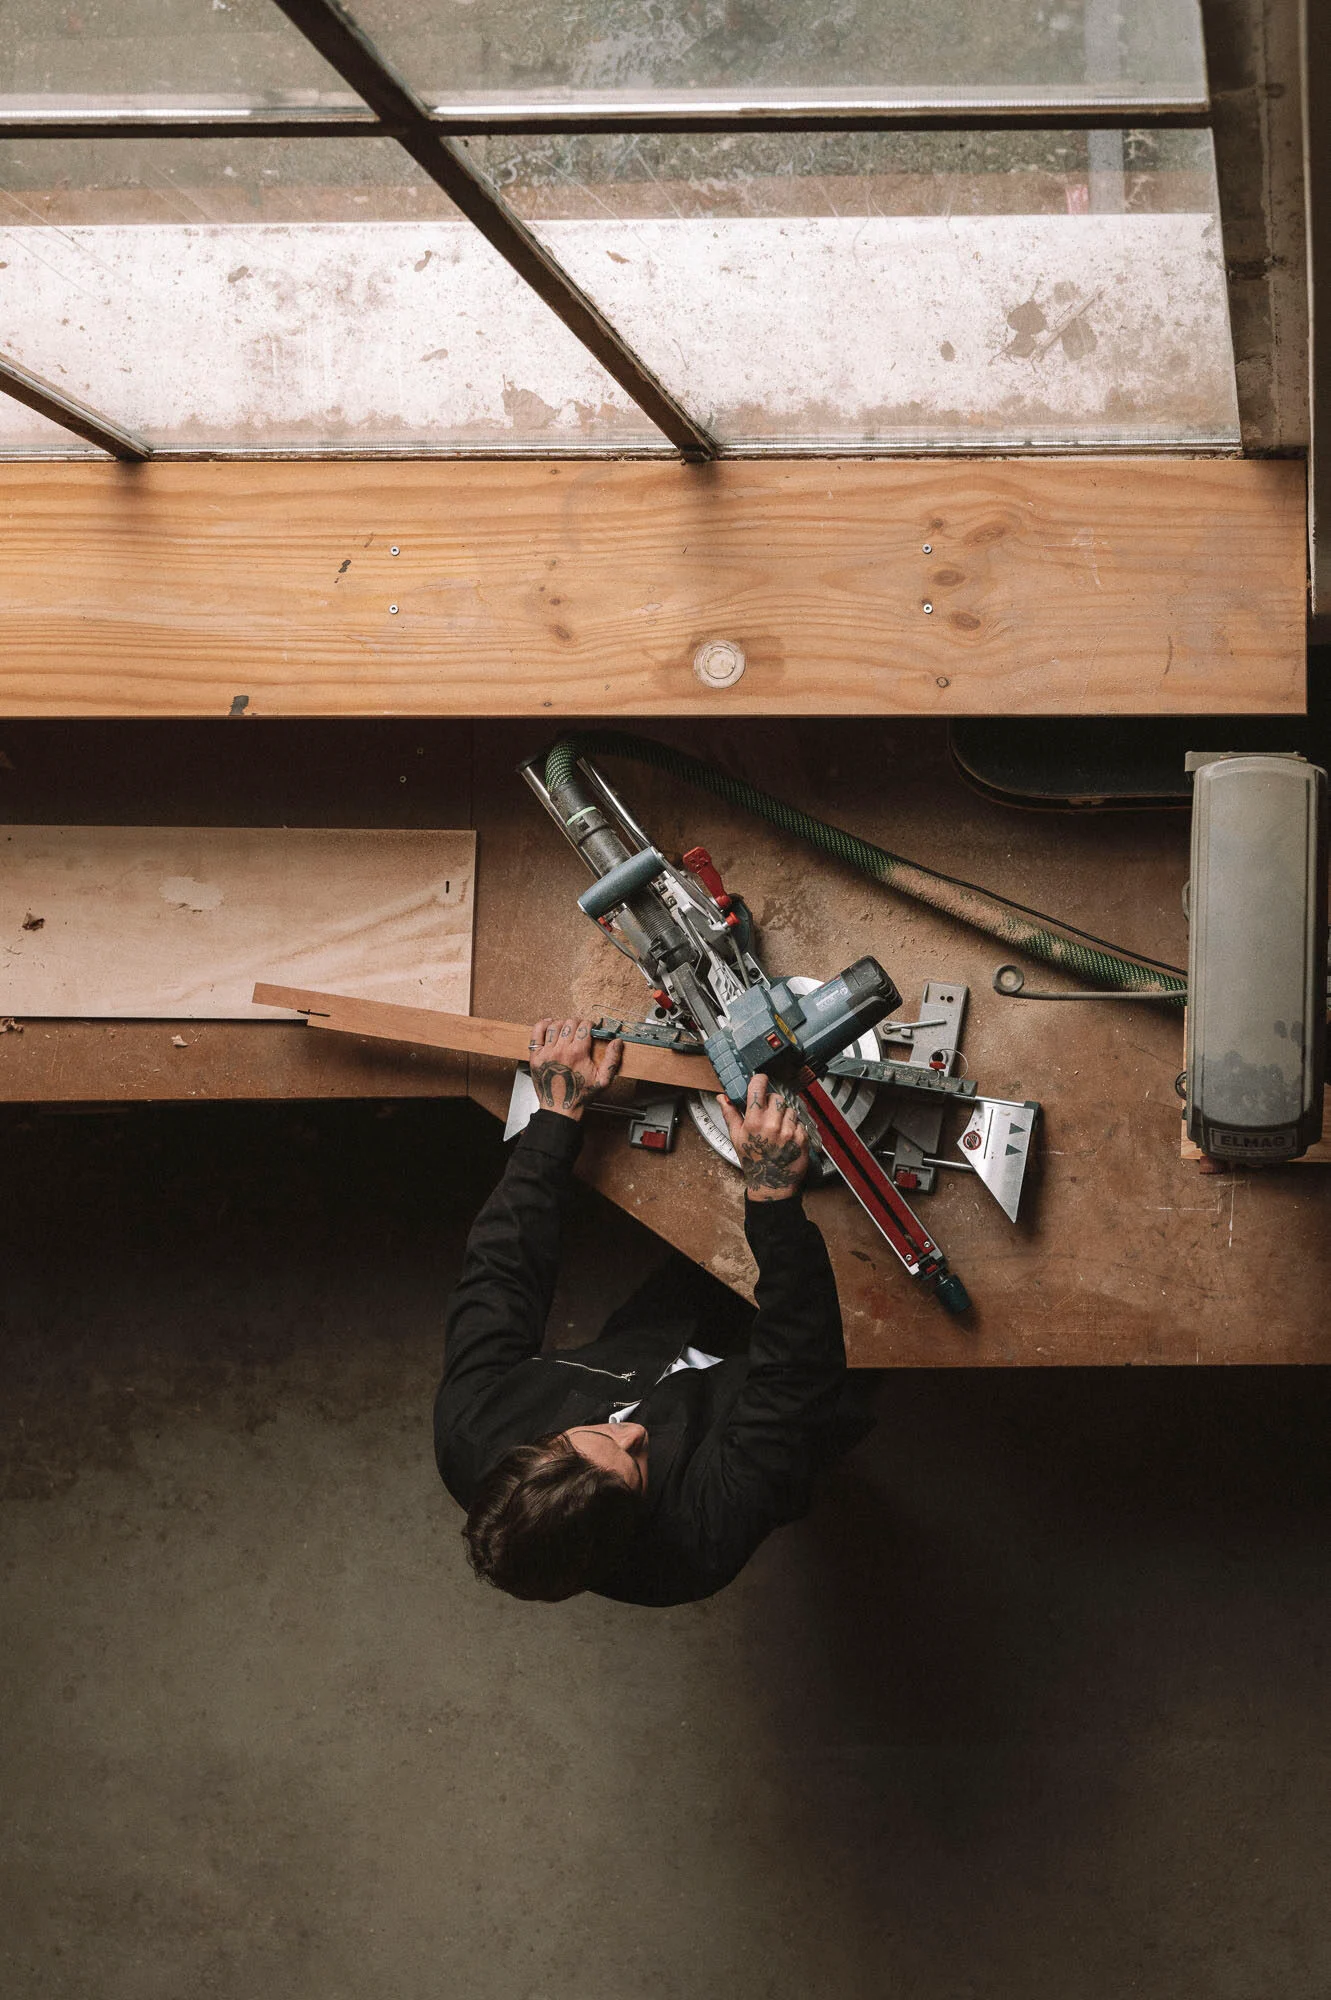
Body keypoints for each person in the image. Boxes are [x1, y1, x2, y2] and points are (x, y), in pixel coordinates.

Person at [434, 1015, 871, 1607]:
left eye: (599, 1432)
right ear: (629, 1529)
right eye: (638, 1464)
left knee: (709, 1264)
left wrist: (556, 1121)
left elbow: (501, 1275)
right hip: (789, 1395)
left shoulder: (472, 1431)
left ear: (533, 1448)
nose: (637, 1430)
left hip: (662, 1335)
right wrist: (770, 1199)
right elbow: (794, 1380)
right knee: (878, 1326)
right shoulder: (701, 1539)